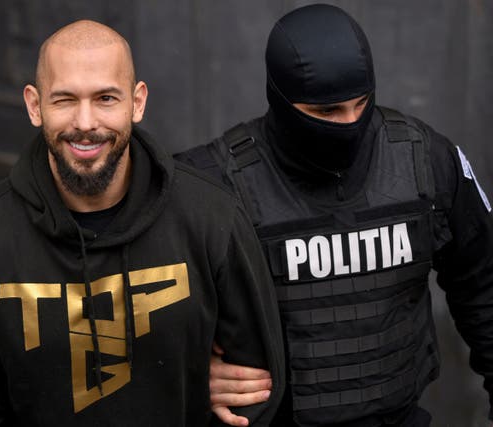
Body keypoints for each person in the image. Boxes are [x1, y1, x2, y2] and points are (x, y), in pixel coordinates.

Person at [0, 20, 285, 426]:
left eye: (105, 98)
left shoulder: (213, 219)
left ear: (137, 102)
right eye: (64, 100)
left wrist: (183, 378)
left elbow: (255, 393)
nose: (85, 122)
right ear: (34, 105)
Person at [175, 4, 493, 427]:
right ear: (281, 99)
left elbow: (486, 290)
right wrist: (187, 370)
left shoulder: (425, 160)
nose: (350, 123)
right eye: (326, 112)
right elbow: (133, 309)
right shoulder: (211, 183)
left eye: (361, 104)